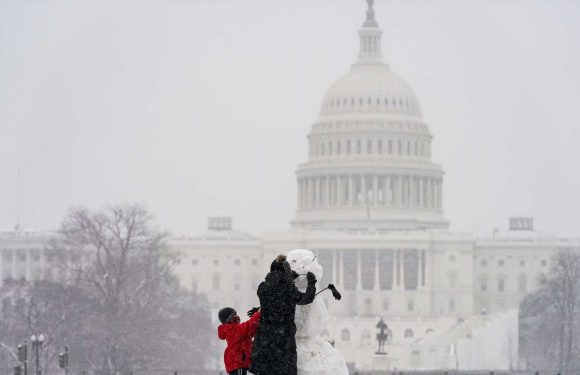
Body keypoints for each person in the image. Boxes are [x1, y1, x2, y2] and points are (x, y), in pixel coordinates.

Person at [250, 254, 317, 375]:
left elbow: (275, 289)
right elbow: (306, 298)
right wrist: (311, 283)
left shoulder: (263, 287)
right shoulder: (288, 289)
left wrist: (288, 278)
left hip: (264, 337)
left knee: (265, 370)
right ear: (287, 272)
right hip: (283, 338)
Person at [218, 306, 261, 375]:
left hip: (240, 362)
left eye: (236, 314)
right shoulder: (231, 329)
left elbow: (249, 332)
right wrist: (257, 314)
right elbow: (248, 327)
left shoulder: (236, 329)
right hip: (237, 362)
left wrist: (257, 319)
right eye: (234, 315)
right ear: (228, 319)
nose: (237, 316)